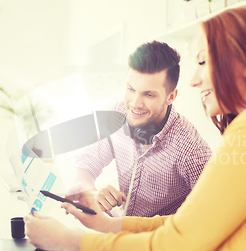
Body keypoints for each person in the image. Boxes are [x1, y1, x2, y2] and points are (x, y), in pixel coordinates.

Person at [24, 6, 246, 251]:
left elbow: (175, 246)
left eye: (202, 60)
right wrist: (108, 225)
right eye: (130, 89)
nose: (196, 80)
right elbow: (193, 222)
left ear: (242, 62)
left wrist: (66, 240)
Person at [70, 41, 212, 217]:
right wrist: (92, 193)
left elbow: (213, 213)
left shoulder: (191, 149)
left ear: (171, 97)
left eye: (149, 94)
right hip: (119, 233)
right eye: (131, 89)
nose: (135, 103)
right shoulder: (119, 113)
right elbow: (85, 163)